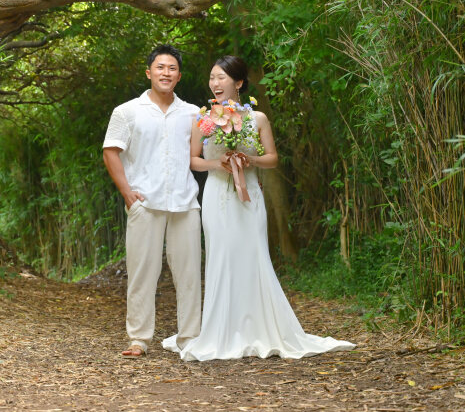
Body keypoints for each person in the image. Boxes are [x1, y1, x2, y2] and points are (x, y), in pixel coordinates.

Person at [163, 55, 355, 361]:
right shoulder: (203, 119)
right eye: (212, 77)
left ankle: (259, 326)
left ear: (238, 83)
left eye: (222, 78)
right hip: (217, 194)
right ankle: (221, 329)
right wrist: (220, 163)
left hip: (249, 193)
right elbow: (194, 160)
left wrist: (247, 160)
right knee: (221, 257)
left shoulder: (258, 119)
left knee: (253, 254)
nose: (215, 83)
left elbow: (273, 158)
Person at [103, 44, 202, 358]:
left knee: (189, 274)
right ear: (149, 72)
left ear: (179, 76)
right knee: (142, 273)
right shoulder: (127, 111)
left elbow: (202, 153)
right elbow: (111, 151)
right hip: (145, 202)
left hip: (185, 203)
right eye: (160, 67)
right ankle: (139, 338)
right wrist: (127, 193)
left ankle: (190, 339)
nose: (166, 73)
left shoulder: (193, 113)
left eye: (172, 68)